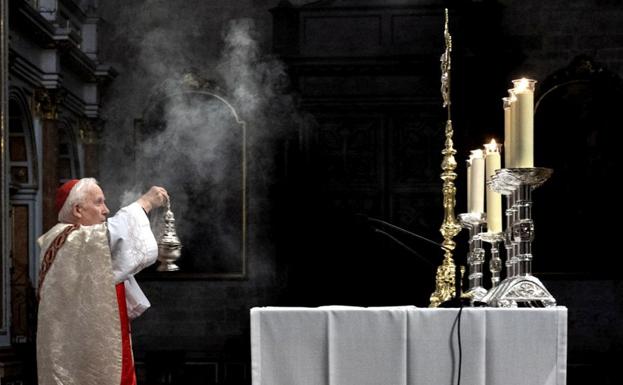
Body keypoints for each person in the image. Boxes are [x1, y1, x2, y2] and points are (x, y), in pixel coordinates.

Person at [36, 178, 169, 385]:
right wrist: (145, 203)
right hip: (78, 358)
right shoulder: (68, 239)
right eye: (98, 202)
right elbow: (114, 234)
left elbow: (117, 265)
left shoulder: (79, 242)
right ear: (78, 210)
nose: (106, 210)